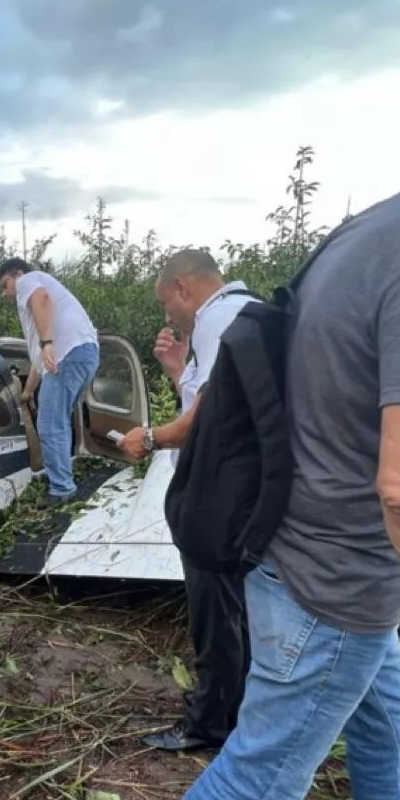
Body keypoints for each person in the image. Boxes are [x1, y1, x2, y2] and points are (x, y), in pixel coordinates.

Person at [178, 19, 400, 800]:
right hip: (337, 589)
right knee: (253, 782)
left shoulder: (369, 229)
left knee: (385, 730)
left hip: (298, 561)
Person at [119, 250, 257, 752]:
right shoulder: (247, 310)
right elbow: (212, 399)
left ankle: (212, 721)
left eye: (165, 305)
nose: (167, 317)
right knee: (237, 606)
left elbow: (208, 420)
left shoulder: (218, 321)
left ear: (182, 287)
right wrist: (177, 370)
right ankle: (239, 708)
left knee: (214, 610)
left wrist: (150, 438)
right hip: (242, 487)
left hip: (219, 491)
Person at [0, 258, 100, 506]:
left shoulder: (28, 281)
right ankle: (64, 478)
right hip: (84, 355)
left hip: (68, 356)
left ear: (17, 273)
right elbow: (39, 363)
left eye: (4, 284)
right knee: (58, 420)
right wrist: (28, 392)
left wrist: (47, 344)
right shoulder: (45, 304)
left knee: (49, 424)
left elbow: (41, 299)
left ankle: (62, 489)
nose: (4, 293)